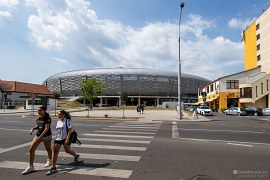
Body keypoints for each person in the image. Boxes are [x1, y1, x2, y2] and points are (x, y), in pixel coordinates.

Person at [46, 110, 79, 175]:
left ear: (64, 115)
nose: (58, 115)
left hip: (65, 138)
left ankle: (76, 155)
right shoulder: (58, 122)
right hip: (58, 138)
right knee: (55, 152)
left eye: (60, 114)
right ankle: (53, 168)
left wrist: (67, 139)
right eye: (58, 114)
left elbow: (69, 130)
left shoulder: (67, 121)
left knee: (67, 150)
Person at [22, 106, 52, 175]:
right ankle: (31, 166)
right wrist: (33, 128)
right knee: (31, 149)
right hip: (38, 135)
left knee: (48, 148)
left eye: (40, 110)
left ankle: (50, 161)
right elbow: (39, 126)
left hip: (46, 136)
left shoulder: (47, 118)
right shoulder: (38, 118)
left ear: (44, 111)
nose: (38, 112)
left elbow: (46, 128)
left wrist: (40, 137)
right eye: (38, 110)